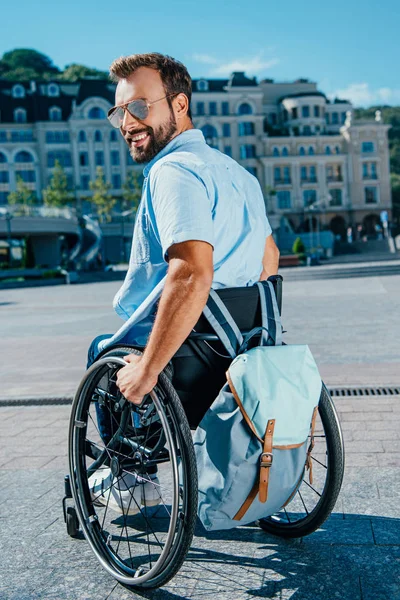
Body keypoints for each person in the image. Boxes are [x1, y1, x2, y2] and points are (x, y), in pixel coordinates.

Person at [87, 52, 280, 514]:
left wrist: (149, 367)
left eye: (139, 107)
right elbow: (268, 262)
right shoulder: (238, 173)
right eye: (119, 112)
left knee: (104, 352)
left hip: (190, 357)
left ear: (179, 105)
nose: (127, 123)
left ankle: (133, 475)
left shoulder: (172, 171)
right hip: (243, 347)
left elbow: (192, 270)